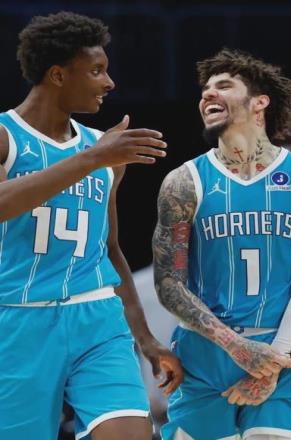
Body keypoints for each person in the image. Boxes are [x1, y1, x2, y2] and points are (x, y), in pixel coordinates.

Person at [0, 11, 182, 440]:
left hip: (97, 318)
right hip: (19, 321)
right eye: (97, 70)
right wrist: (92, 159)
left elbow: (110, 249)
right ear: (58, 75)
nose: (109, 82)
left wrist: (146, 339)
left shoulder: (101, 150)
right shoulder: (7, 136)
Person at [152, 48, 291, 439]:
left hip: (283, 349)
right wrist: (238, 348)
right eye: (204, 90)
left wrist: (274, 362)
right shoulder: (184, 182)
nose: (208, 94)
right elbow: (169, 285)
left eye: (223, 86)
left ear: (260, 102)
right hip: (205, 355)